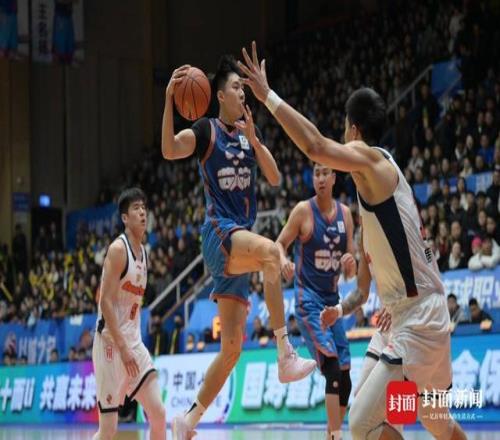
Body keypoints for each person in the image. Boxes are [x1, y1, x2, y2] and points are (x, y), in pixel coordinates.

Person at [239, 41, 466, 440]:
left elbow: (315, 145)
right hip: (405, 318)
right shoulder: (371, 207)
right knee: (432, 421)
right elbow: (363, 289)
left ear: (354, 131)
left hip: (420, 321)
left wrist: (268, 96)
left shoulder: (374, 162)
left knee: (362, 424)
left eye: (345, 130)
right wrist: (343, 308)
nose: (342, 140)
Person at [162, 55, 316, 439]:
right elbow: (169, 149)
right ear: (219, 95)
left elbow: (275, 177)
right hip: (219, 234)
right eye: (236, 87)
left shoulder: (248, 136)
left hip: (239, 242)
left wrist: (256, 140)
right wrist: (168, 100)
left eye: (243, 88)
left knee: (232, 349)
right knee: (271, 254)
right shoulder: (206, 131)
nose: (242, 93)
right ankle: (285, 353)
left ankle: (187, 421)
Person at [276, 163, 357, 440]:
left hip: (332, 304)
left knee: (345, 377)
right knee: (332, 368)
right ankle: (335, 435)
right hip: (307, 300)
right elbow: (279, 244)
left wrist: (351, 263)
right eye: (316, 174)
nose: (320, 178)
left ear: (334, 178)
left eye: (325, 173)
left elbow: (351, 270)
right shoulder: (303, 211)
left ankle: (330, 435)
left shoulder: (346, 215)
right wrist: (283, 261)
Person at [92, 188, 166, 440]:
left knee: (158, 414)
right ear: (125, 218)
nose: (142, 212)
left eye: (144, 207)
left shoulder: (144, 252)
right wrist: (122, 347)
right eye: (136, 208)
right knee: (108, 430)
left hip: (133, 344)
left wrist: (130, 345)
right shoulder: (118, 250)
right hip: (111, 345)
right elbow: (105, 302)